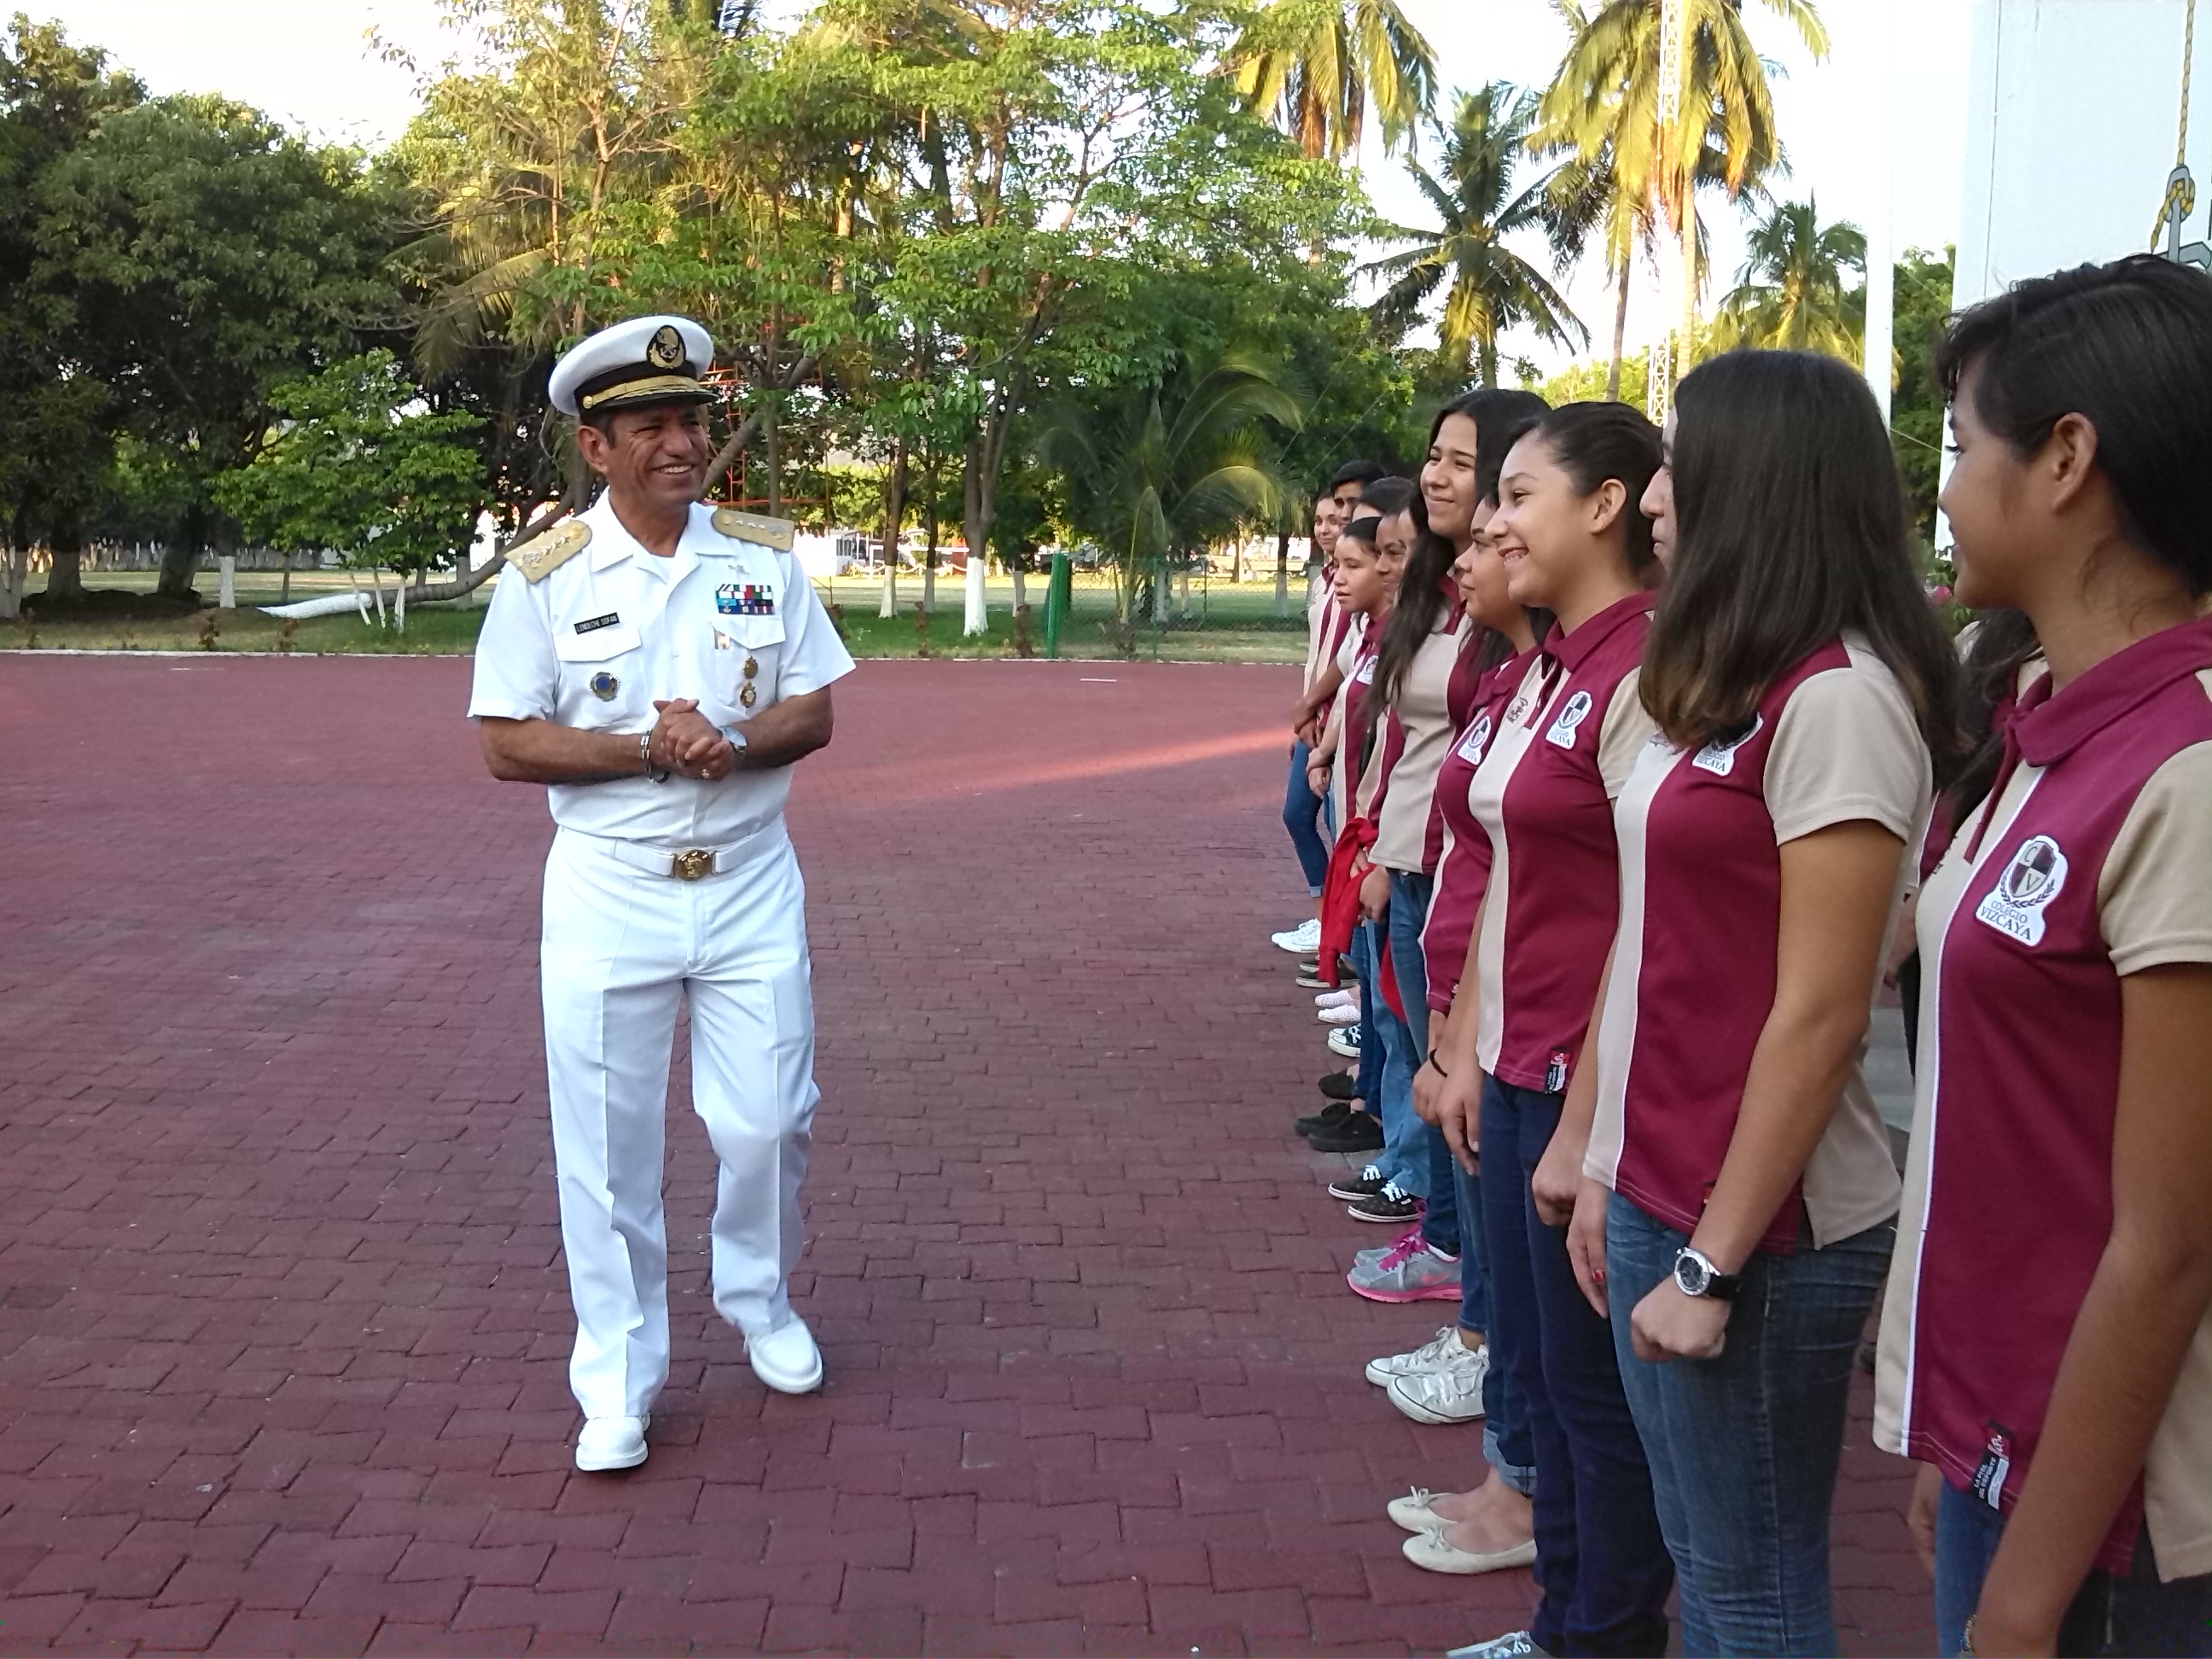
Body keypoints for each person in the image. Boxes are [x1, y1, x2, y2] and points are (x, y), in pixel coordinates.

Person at [1546, 350, 1957, 1656]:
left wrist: (1711, 1260)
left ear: (1758, 483)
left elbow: (1824, 1014)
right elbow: (1655, 944)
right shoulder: (1723, 690)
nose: (1655, 491)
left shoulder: (1837, 702)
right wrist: (1606, 1161)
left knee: (1751, 1587)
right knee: (1708, 1559)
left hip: (1768, 1230)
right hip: (1671, 1186)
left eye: (1680, 458)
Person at [1872, 254, 2212, 1659]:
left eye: (1960, 447)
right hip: (2012, 1438)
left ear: (2067, 457)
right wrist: (1953, 1431)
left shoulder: (2183, 769)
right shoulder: (2037, 727)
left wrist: (2022, 1591)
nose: (1943, 487)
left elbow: (2168, 1241)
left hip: (2126, 1525)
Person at [468, 315, 856, 1474]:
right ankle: (620, 1377)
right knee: (606, 1146)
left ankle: (759, 1296)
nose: (683, 444)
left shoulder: (763, 557)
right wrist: (651, 749)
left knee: (769, 1117)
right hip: (609, 889)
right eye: (652, 427)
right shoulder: (544, 578)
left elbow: (816, 710)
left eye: (693, 420)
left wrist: (727, 740)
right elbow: (504, 743)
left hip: (747, 882)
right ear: (599, 448)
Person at [1426, 402, 1673, 1659]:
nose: (1492, 521)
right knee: (1541, 1371)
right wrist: (1464, 1043)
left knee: (1588, 1399)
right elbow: (1509, 872)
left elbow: (1650, 908)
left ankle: (1601, 1631)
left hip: (1586, 1081)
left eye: (1519, 495)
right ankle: (1562, 1620)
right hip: (1518, 1072)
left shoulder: (1644, 670)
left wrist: (1583, 1113)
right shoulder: (1553, 669)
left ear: (1608, 505)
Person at [1276, 461, 1388, 957]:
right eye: (1331, 510)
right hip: (1324, 722)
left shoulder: (1380, 598)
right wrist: (1308, 705)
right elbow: (1337, 657)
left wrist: (1318, 717)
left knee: (1328, 822)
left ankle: (1338, 933)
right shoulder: (1330, 579)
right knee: (1316, 820)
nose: (1339, 518)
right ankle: (1336, 930)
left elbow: (1354, 666)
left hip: (1341, 726)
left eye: (1347, 508)